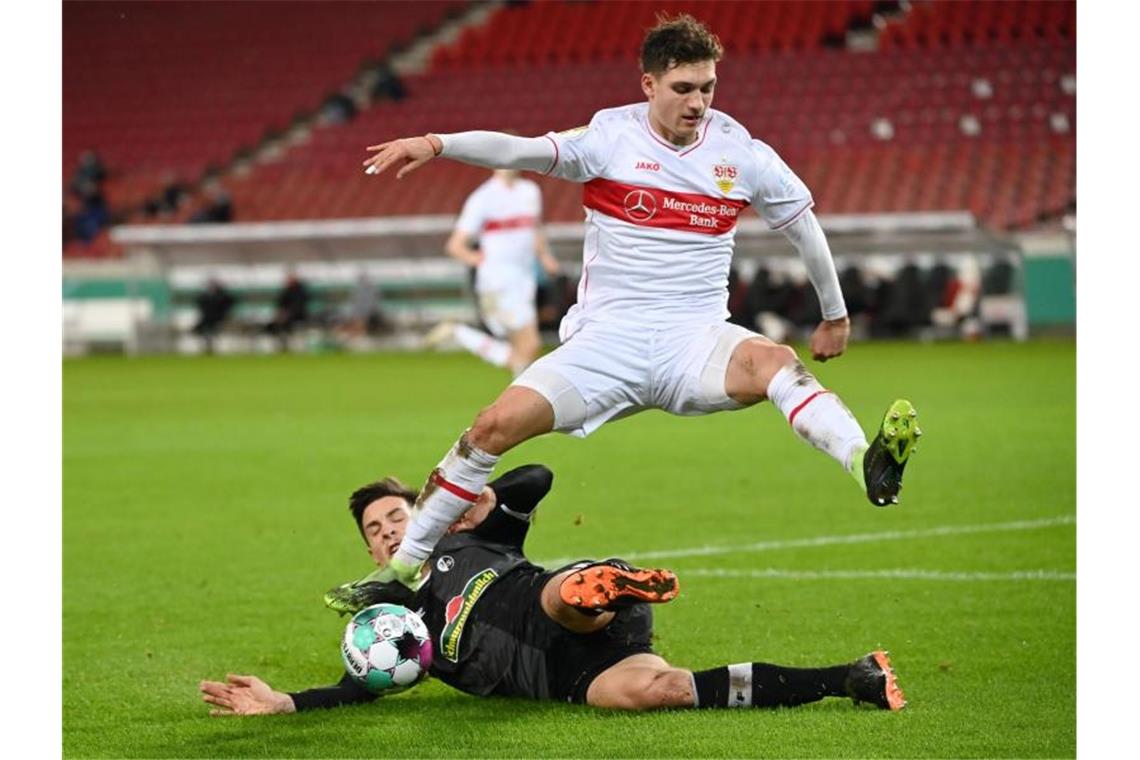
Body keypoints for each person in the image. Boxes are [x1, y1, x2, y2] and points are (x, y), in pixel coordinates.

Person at [349, 14, 923, 593]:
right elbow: (519, 150)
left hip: (694, 339)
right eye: (682, 89)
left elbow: (804, 228)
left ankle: (865, 463)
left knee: (775, 362)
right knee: (492, 426)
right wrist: (435, 143)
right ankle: (401, 569)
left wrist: (835, 315)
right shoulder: (608, 138)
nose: (697, 103)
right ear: (648, 84)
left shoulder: (740, 153)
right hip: (606, 343)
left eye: (707, 88)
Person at [199, 465, 905, 714]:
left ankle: (601, 586)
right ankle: (851, 679)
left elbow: (538, 477)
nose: (386, 532)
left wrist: (482, 499)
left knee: (555, 598)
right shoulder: (396, 622)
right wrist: (288, 702)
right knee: (660, 694)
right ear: (370, 551)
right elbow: (366, 686)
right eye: (374, 532)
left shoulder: (471, 540)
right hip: (561, 678)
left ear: (422, 514)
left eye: (395, 517)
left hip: (557, 610)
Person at [424, 168, 561, 377]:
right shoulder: (483, 198)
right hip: (499, 280)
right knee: (531, 344)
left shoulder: (530, 191)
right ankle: (461, 335)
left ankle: (459, 333)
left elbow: (536, 229)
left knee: (523, 351)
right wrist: (482, 261)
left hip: (524, 278)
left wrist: (545, 257)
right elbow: (455, 246)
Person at [265, 273, 311, 352]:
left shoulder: (301, 291)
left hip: (298, 315)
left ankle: (286, 344)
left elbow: (300, 305)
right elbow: (280, 304)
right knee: (272, 325)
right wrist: (281, 313)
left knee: (285, 323)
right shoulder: (286, 291)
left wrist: (288, 313)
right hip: (286, 315)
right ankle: (280, 344)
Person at [192, 278, 236, 355]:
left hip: (219, 318)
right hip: (207, 318)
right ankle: (208, 344)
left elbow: (229, 304)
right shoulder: (205, 297)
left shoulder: (223, 296)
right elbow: (200, 305)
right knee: (203, 328)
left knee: (211, 328)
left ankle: (211, 343)